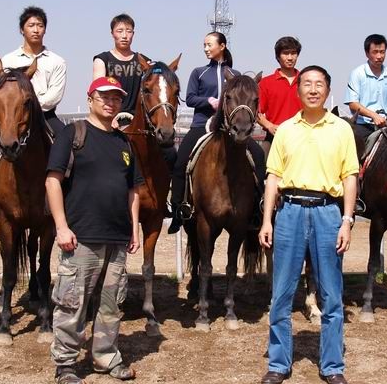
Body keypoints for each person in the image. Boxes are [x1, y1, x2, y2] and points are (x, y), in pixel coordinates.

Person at [259, 65, 358, 384]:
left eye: (319, 84)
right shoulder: (285, 129)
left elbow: (350, 177)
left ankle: (332, 365)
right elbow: (273, 176)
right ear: (298, 91)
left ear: (328, 91)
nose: (313, 89)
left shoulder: (341, 129)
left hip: (328, 213)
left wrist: (347, 220)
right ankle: (278, 363)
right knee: (282, 292)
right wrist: (267, 220)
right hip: (289, 213)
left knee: (331, 293)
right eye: (307, 84)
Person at [45, 76, 142, 384]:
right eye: (104, 96)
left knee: (111, 303)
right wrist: (61, 226)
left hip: (116, 238)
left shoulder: (123, 142)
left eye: (116, 98)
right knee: (72, 303)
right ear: (90, 99)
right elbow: (53, 181)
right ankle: (66, 364)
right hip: (81, 236)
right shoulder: (73, 134)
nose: (111, 102)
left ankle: (105, 356)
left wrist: (133, 228)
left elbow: (133, 191)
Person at [0, 6, 67, 221]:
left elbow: (54, 95)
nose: (36, 30)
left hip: (44, 115)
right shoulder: (8, 59)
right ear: (22, 29)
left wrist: (29, 104)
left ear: (45, 30)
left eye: (40, 26)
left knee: (70, 148)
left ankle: (69, 200)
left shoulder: (57, 61)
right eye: (31, 25)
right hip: (11, 117)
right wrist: (16, 107)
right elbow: (4, 93)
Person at [167, 31, 266, 234]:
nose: (205, 48)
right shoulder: (198, 72)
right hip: (202, 124)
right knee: (180, 161)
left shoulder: (236, 75)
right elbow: (191, 98)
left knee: (257, 154)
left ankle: (258, 208)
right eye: (204, 45)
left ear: (222, 46)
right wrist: (209, 101)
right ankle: (179, 208)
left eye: (209, 44)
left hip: (229, 128)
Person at [93, 13, 177, 170]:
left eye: (129, 31)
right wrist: (108, 118)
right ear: (112, 34)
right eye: (120, 31)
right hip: (111, 119)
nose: (124, 35)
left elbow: (158, 84)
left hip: (139, 122)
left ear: (133, 34)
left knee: (172, 155)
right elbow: (97, 92)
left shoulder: (145, 61)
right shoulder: (102, 59)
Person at [345, 34, 387, 149]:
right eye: (375, 52)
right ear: (367, 53)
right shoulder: (358, 73)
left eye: (382, 52)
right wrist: (374, 116)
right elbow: (353, 103)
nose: (379, 56)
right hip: (362, 125)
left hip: (386, 126)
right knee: (355, 152)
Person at [257, 36, 302, 159]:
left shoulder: (306, 81)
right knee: (259, 164)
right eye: (285, 53)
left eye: (293, 53)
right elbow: (257, 112)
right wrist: (269, 126)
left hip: (303, 138)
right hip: (274, 138)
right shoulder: (266, 83)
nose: (290, 57)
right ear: (278, 56)